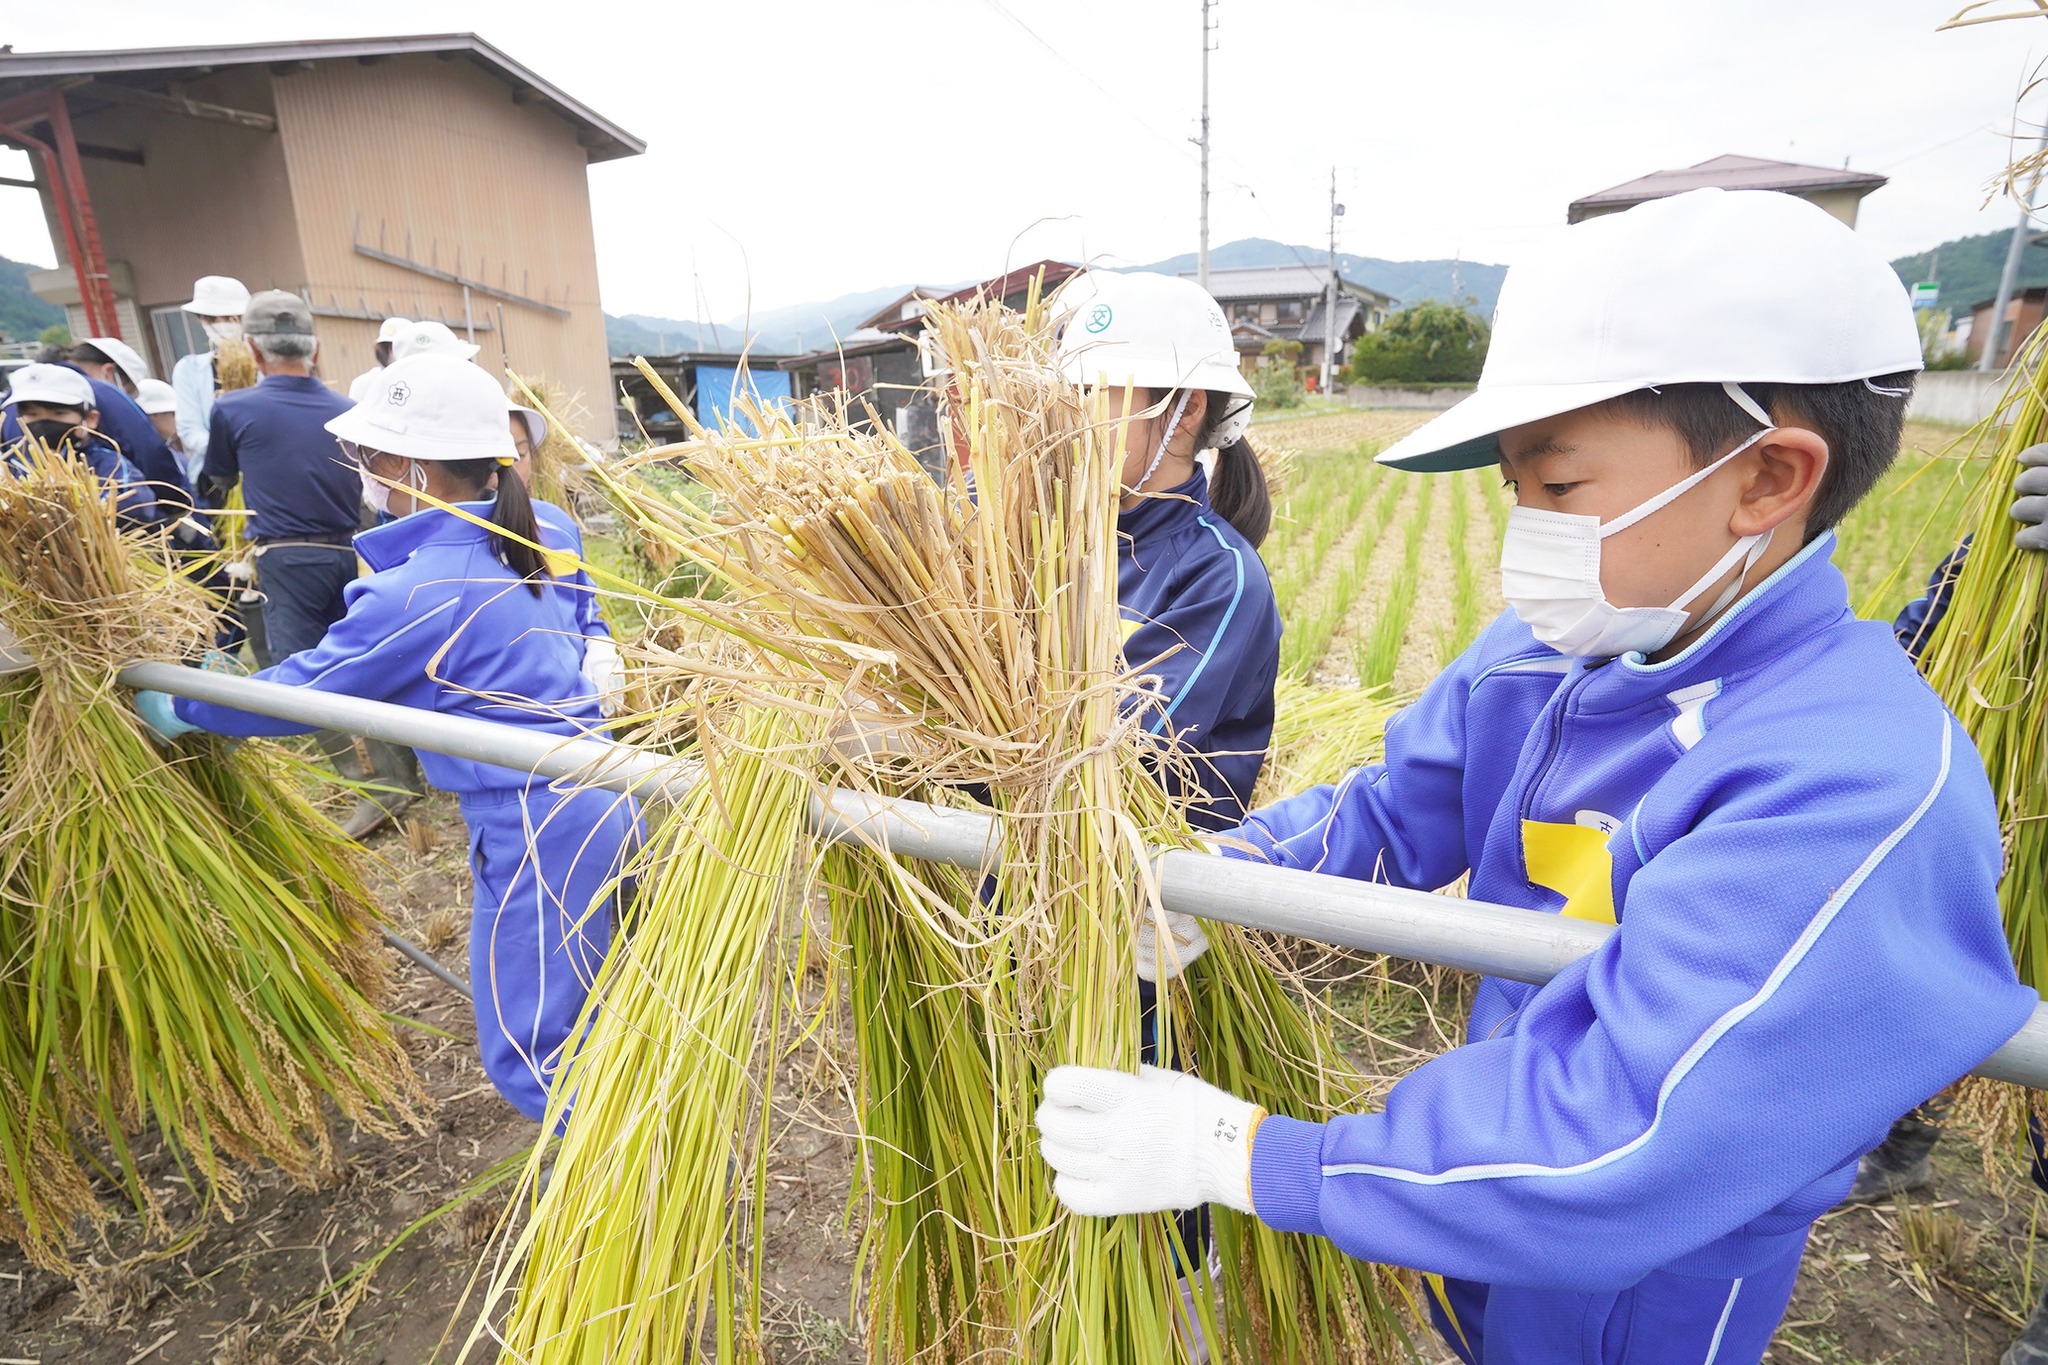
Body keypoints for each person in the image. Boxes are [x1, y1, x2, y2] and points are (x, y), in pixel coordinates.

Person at [1034, 188, 2035, 1365]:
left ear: (1767, 480)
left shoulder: (1855, 785)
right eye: (1513, 490)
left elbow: (1631, 1145)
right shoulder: (1546, 655)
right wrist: (1212, 878)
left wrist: (1247, 1157)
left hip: (1646, 1272)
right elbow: (1389, 810)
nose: (1528, 533)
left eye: (1557, 489)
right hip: (1488, 1190)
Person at [133, 353, 638, 1124]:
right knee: (602, 999)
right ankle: (637, 1158)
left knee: (536, 1048)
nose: (358, 473)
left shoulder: (421, 590)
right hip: (604, 789)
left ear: (411, 468)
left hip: (535, 820)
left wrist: (192, 703)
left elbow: (308, 692)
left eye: (367, 457)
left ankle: (622, 1196)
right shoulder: (545, 527)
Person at [200, 289, 421, 837]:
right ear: (314, 349)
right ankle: (403, 771)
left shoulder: (233, 408)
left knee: (304, 675)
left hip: (287, 558)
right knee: (362, 660)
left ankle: (379, 789)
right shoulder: (348, 410)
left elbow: (215, 484)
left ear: (251, 350)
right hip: (353, 551)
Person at [2, 363, 164, 526]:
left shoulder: (108, 464)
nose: (44, 423)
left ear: (91, 419)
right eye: (32, 414)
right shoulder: (19, 469)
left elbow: (136, 504)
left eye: (59, 413)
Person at [172, 275, 250, 471]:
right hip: (215, 473)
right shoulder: (189, 369)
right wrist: (229, 451)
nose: (221, 324)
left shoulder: (265, 363)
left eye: (231, 318)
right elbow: (190, 430)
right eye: (212, 319)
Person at [135, 378, 183, 460]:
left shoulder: (173, 454)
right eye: (173, 414)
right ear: (154, 415)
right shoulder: (148, 457)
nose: (177, 419)